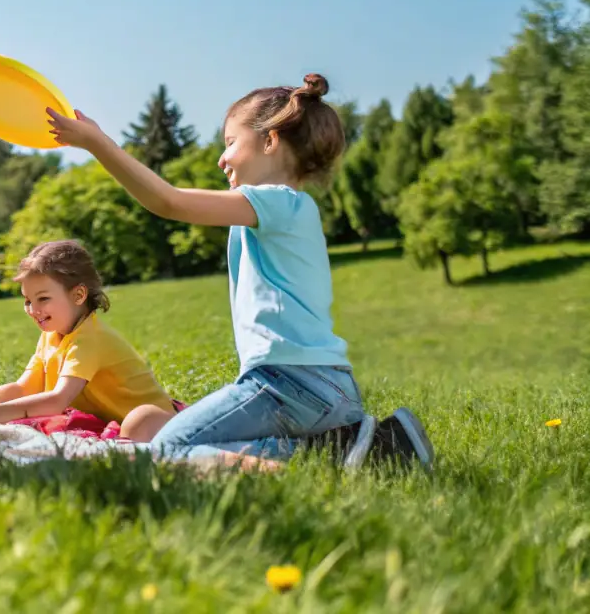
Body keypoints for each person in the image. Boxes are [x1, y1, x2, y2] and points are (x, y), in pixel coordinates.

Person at [47, 74, 435, 470]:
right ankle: (352, 443)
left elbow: (169, 202)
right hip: (322, 386)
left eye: (231, 143)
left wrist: (97, 143)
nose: (221, 158)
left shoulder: (273, 202)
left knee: (167, 452)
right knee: (175, 433)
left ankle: (338, 454)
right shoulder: (289, 209)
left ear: (270, 141)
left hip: (288, 385)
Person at [0, 240, 179, 443]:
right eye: (27, 300)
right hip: (111, 422)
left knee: (137, 423)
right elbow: (24, 388)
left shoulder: (88, 339)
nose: (32, 310)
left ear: (78, 295)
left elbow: (58, 399)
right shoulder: (51, 335)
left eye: (43, 299)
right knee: (43, 423)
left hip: (160, 422)